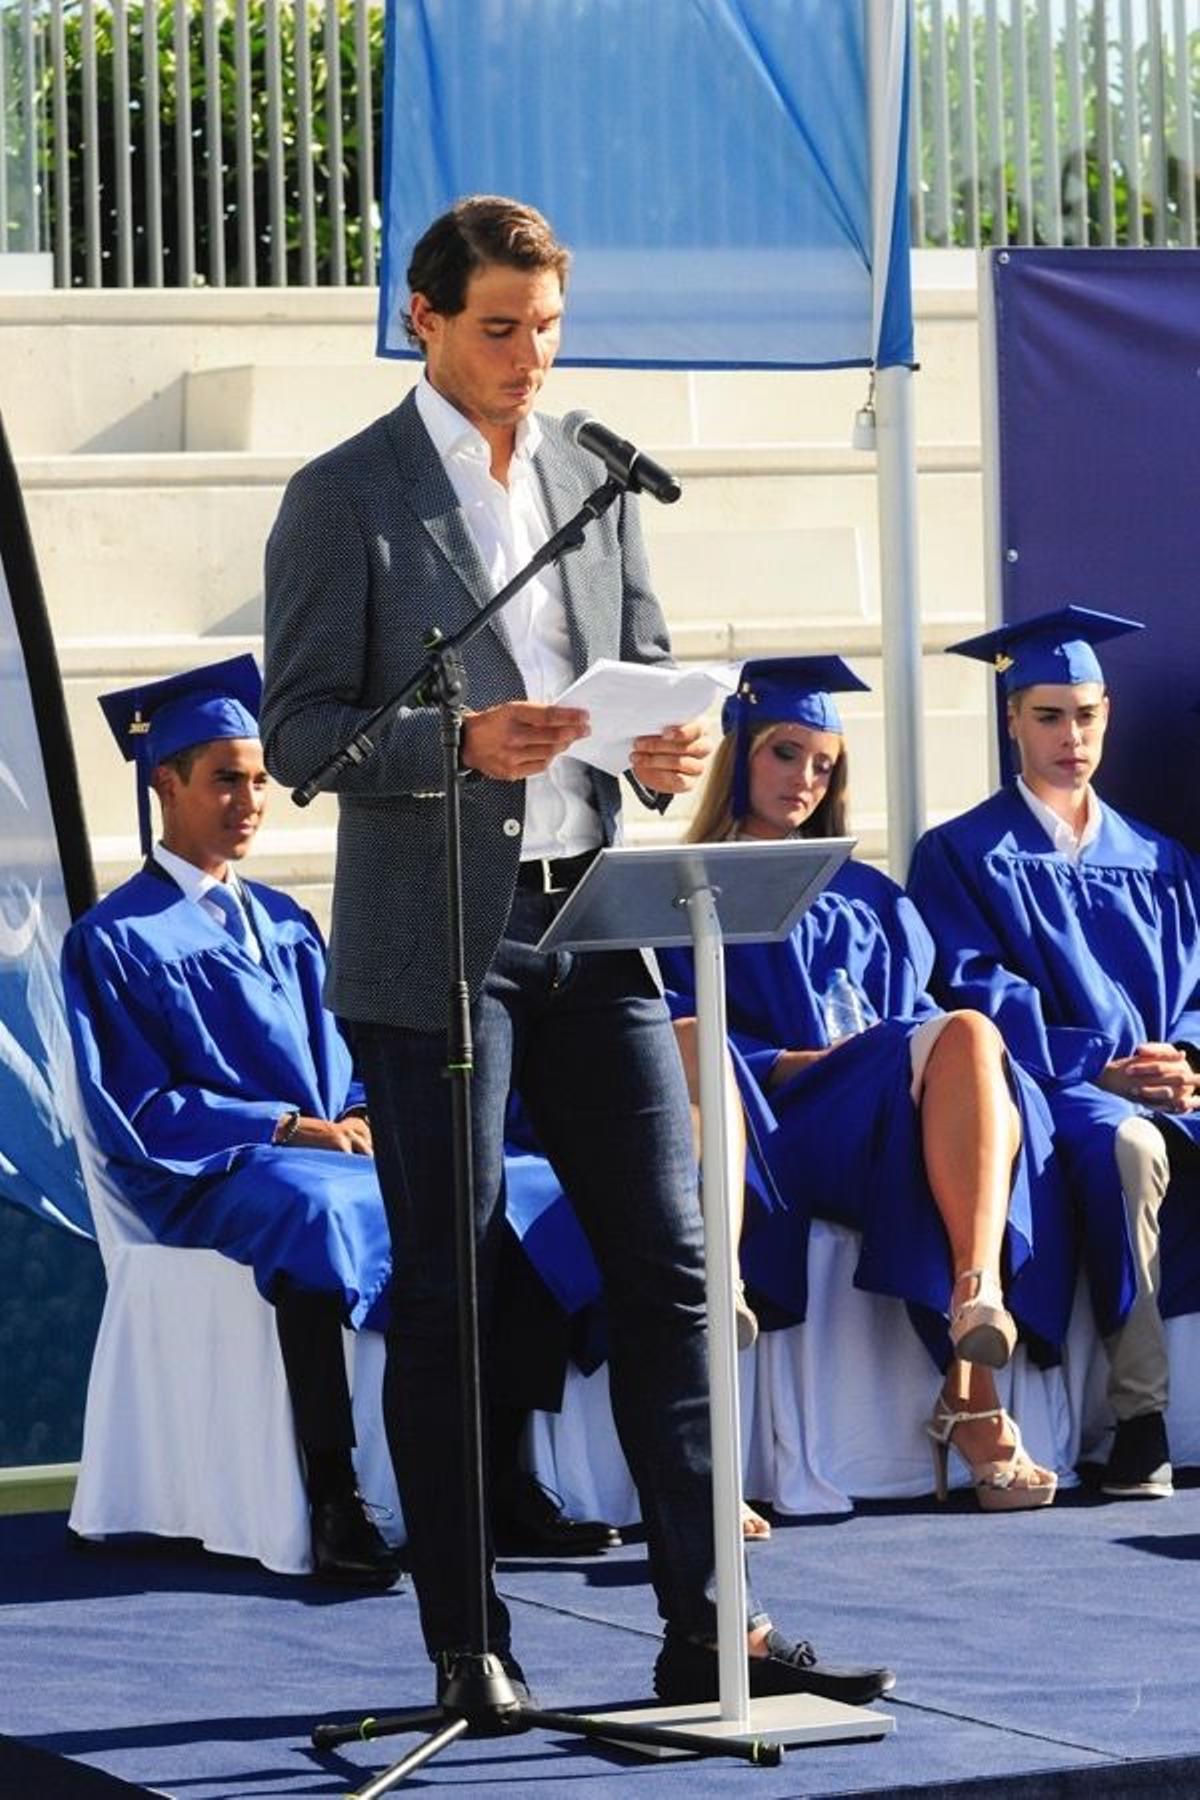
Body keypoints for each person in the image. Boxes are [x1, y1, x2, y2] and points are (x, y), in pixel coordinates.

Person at [260, 194, 893, 1707]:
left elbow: (650, 687)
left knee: (675, 1267)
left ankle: (708, 1624)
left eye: (548, 327)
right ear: (423, 317)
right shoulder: (343, 496)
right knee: (450, 1285)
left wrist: (670, 751)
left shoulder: (592, 479)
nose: (531, 357)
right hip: (438, 948)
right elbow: (296, 733)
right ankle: (465, 1637)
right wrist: (455, 741)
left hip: (595, 922)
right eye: (500, 328)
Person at [658, 656, 1073, 1511]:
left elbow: (919, 1023)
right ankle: (961, 1404)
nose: (805, 779)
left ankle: (975, 1303)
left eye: (823, 763)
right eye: (784, 753)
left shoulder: (872, 894)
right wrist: (789, 1063)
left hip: (873, 1108)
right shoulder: (684, 882)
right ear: (738, 753)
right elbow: (667, 1025)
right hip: (765, 1113)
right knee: (718, 1053)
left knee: (967, 1035)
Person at [61, 656, 400, 1586]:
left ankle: (506, 1480)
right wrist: (290, 1128)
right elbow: (138, 1104)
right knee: (312, 1210)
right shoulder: (116, 938)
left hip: (326, 1158)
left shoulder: (288, 919)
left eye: (259, 781)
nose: (250, 800)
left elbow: (350, 1052)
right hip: (206, 1179)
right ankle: (334, 1496)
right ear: (162, 783)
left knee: (505, 1182)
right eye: (224, 779)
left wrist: (364, 1113)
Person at [909, 605, 1200, 1501]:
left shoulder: (1160, 859)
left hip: (1166, 1083)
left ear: (1106, 715)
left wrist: (1187, 1055)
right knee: (1126, 1144)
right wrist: (1099, 1066)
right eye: (1048, 715)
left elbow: (1195, 982)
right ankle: (1141, 1418)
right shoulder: (960, 854)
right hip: (1054, 1088)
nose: (1071, 737)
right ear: (1011, 721)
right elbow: (968, 987)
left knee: (1150, 1126)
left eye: (1086, 715)